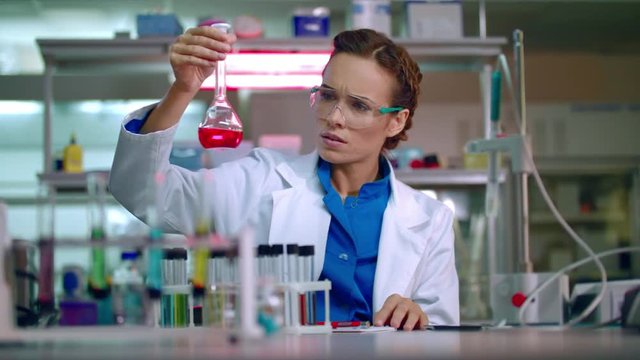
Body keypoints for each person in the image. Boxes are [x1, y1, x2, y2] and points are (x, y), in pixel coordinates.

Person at [109, 25, 459, 330]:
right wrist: (183, 89)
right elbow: (143, 190)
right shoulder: (261, 181)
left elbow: (442, 331)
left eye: (359, 105)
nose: (334, 117)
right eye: (327, 96)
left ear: (396, 121)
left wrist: (419, 318)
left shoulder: (429, 220)